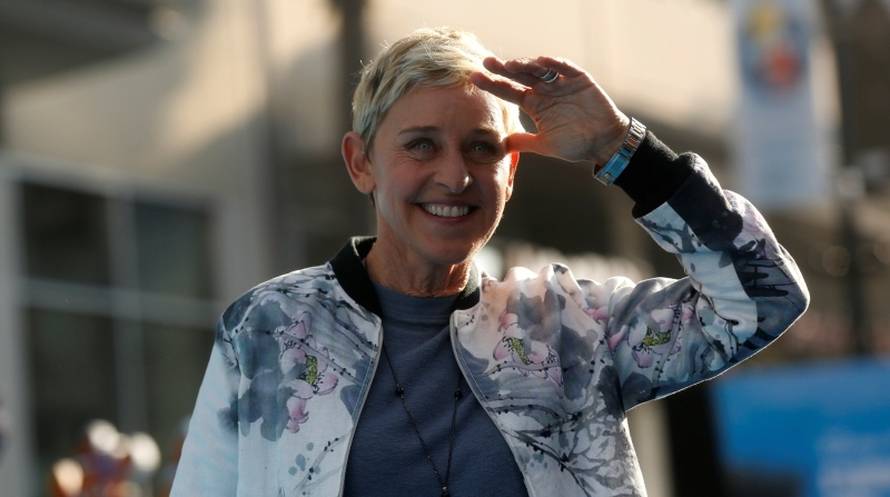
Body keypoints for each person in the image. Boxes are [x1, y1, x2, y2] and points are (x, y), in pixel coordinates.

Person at [170, 27, 809, 497]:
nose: (455, 176)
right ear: (361, 162)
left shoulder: (573, 327)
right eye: (422, 145)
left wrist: (624, 150)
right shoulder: (267, 327)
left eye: (481, 147)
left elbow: (764, 298)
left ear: (512, 171)